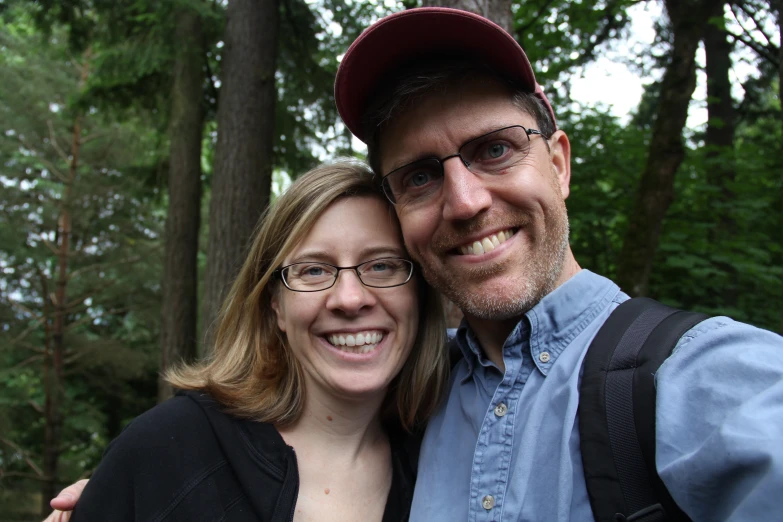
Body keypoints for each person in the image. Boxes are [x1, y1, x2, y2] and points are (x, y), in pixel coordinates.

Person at [49, 7, 783, 522]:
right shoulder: (420, 407)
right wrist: (141, 486)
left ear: (557, 163)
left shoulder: (702, 378)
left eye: (493, 147)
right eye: (420, 175)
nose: (463, 200)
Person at [54, 161, 447, 522]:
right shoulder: (167, 453)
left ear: (419, 295)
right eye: (313, 270)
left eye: (381, 265)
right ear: (274, 304)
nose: (349, 298)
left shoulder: (451, 462)